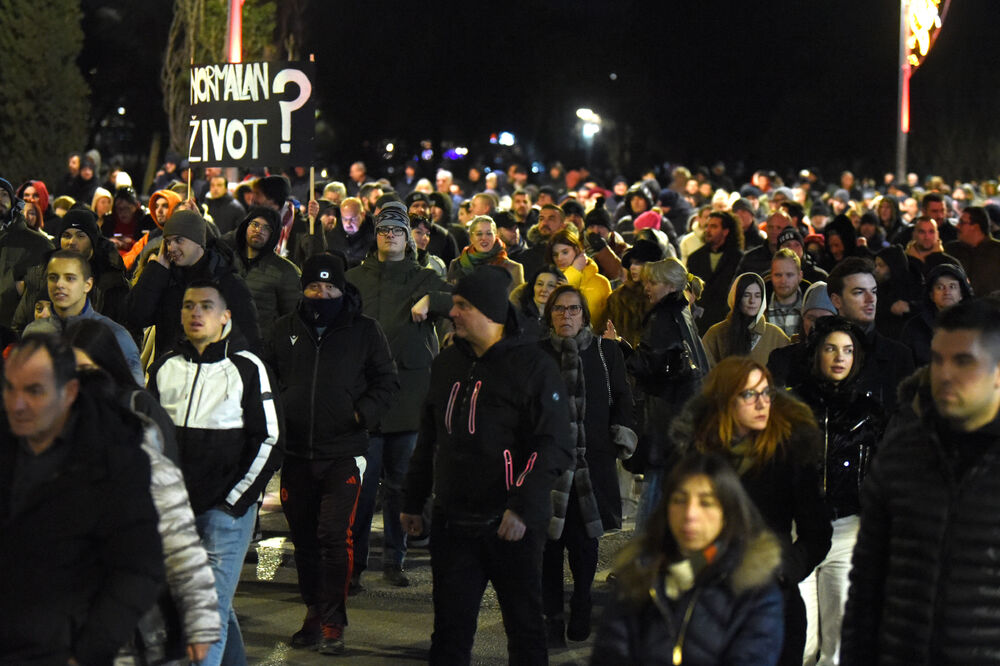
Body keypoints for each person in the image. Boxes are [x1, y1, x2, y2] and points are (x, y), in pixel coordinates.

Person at [401, 265, 574, 665]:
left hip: (510, 526)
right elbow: (429, 436)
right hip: (453, 523)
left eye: (463, 305)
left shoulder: (534, 366)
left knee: (525, 630)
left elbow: (553, 444)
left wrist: (522, 507)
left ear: (491, 312)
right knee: (450, 632)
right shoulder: (447, 363)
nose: (453, 312)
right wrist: (413, 498)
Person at [842, 298, 1000, 663]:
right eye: (938, 360)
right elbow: (867, 587)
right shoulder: (902, 455)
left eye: (963, 361)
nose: (945, 374)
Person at [0, 334, 164, 664]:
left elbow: (138, 569)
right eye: (10, 388)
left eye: (35, 390)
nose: (19, 403)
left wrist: (88, 651)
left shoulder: (115, 462)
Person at [147, 280, 282, 666]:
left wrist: (234, 503)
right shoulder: (165, 366)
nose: (196, 313)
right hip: (175, 513)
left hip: (226, 515)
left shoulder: (248, 368)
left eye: (206, 306)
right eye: (189, 305)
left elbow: (271, 439)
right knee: (207, 606)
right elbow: (146, 436)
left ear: (225, 316)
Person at [269, 254, 399, 654]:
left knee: (333, 537)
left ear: (342, 289)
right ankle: (313, 612)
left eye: (330, 287)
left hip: (343, 451)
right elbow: (266, 380)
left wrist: (360, 414)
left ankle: (332, 622)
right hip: (296, 453)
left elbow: (386, 381)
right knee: (304, 541)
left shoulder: (365, 330)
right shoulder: (283, 329)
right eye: (314, 286)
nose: (322, 294)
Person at [670, 357, 832, 666]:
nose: (762, 403)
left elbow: (818, 533)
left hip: (772, 607)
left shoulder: (789, 453)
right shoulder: (696, 455)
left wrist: (782, 571)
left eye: (766, 392)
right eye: (749, 394)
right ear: (725, 399)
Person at [591, 452, 785, 665]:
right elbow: (609, 652)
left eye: (706, 503)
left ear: (727, 512)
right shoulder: (639, 574)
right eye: (680, 500)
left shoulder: (753, 588)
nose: (690, 514)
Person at [346, 202, 451, 590]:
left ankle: (395, 558)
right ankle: (354, 563)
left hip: (409, 397)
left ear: (408, 238)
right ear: (375, 236)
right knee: (362, 487)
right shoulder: (354, 278)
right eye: (384, 230)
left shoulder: (424, 277)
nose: (390, 236)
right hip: (366, 397)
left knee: (401, 488)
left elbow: (459, 301)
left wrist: (433, 301)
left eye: (397, 231)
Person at [539, 285, 636, 647]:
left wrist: (619, 436)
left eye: (573, 309)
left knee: (584, 543)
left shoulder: (605, 351)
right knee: (548, 546)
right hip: (548, 466)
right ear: (550, 314)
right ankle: (551, 616)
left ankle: (582, 602)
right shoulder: (537, 354)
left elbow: (623, 397)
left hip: (591, 463)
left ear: (584, 315)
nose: (566, 315)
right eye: (559, 309)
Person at [789, 317, 885, 666]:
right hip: (796, 529)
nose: (840, 357)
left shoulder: (869, 412)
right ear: (816, 353)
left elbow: (881, 473)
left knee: (839, 643)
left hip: (847, 528)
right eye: (831, 348)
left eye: (847, 350)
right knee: (799, 639)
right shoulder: (790, 406)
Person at [626, 258, 710, 526]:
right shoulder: (682, 312)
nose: (646, 288)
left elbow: (649, 365)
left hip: (666, 418)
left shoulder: (662, 317)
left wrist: (619, 349)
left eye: (653, 282)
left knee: (656, 493)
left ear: (671, 286)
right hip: (684, 416)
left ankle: (646, 549)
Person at [126, 209, 262, 362]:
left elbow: (249, 335)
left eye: (179, 240)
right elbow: (136, 317)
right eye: (168, 242)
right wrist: (157, 268)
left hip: (210, 371)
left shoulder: (225, 280)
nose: (171, 248)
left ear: (198, 241)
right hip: (170, 370)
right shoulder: (164, 276)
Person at [825, 257, 915, 412]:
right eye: (859, 292)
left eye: (873, 291)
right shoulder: (817, 354)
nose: (870, 299)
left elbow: (908, 417)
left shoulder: (899, 356)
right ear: (837, 301)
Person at [221, 206, 301, 351]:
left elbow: (292, 319)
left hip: (262, 351)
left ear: (274, 234)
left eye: (267, 228)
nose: (259, 230)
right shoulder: (226, 263)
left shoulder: (286, 271)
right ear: (245, 227)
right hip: (225, 347)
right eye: (255, 224)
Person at [702, 272, 790, 367]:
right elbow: (705, 369)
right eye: (746, 295)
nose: (752, 301)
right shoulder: (716, 333)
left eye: (757, 296)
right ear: (736, 298)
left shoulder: (775, 335)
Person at [899, 263, 972, 367]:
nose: (947, 292)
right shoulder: (914, 327)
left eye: (952, 286)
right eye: (940, 287)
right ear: (931, 295)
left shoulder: (976, 326)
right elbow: (904, 367)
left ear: (961, 294)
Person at [687, 210, 744, 335]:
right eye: (707, 226)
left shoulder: (739, 259)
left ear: (725, 231)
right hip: (701, 324)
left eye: (713, 226)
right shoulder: (695, 258)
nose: (708, 230)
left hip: (727, 322)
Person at [548, 227, 613, 330]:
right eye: (555, 255)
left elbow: (609, 319)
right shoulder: (549, 280)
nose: (559, 258)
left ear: (577, 250)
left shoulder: (601, 282)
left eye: (565, 252)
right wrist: (574, 271)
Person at [447, 214, 525, 288]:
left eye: (489, 233)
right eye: (479, 234)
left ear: (496, 236)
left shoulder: (514, 269)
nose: (484, 238)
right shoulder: (456, 265)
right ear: (471, 238)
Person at [944, 205, 1000, 297]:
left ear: (975, 227)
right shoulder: (952, 250)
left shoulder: (997, 252)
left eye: (962, 223)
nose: (957, 226)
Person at [510, 264, 567, 340]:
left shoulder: (564, 315)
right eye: (540, 284)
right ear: (533, 287)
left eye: (551, 285)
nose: (544, 290)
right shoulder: (518, 311)